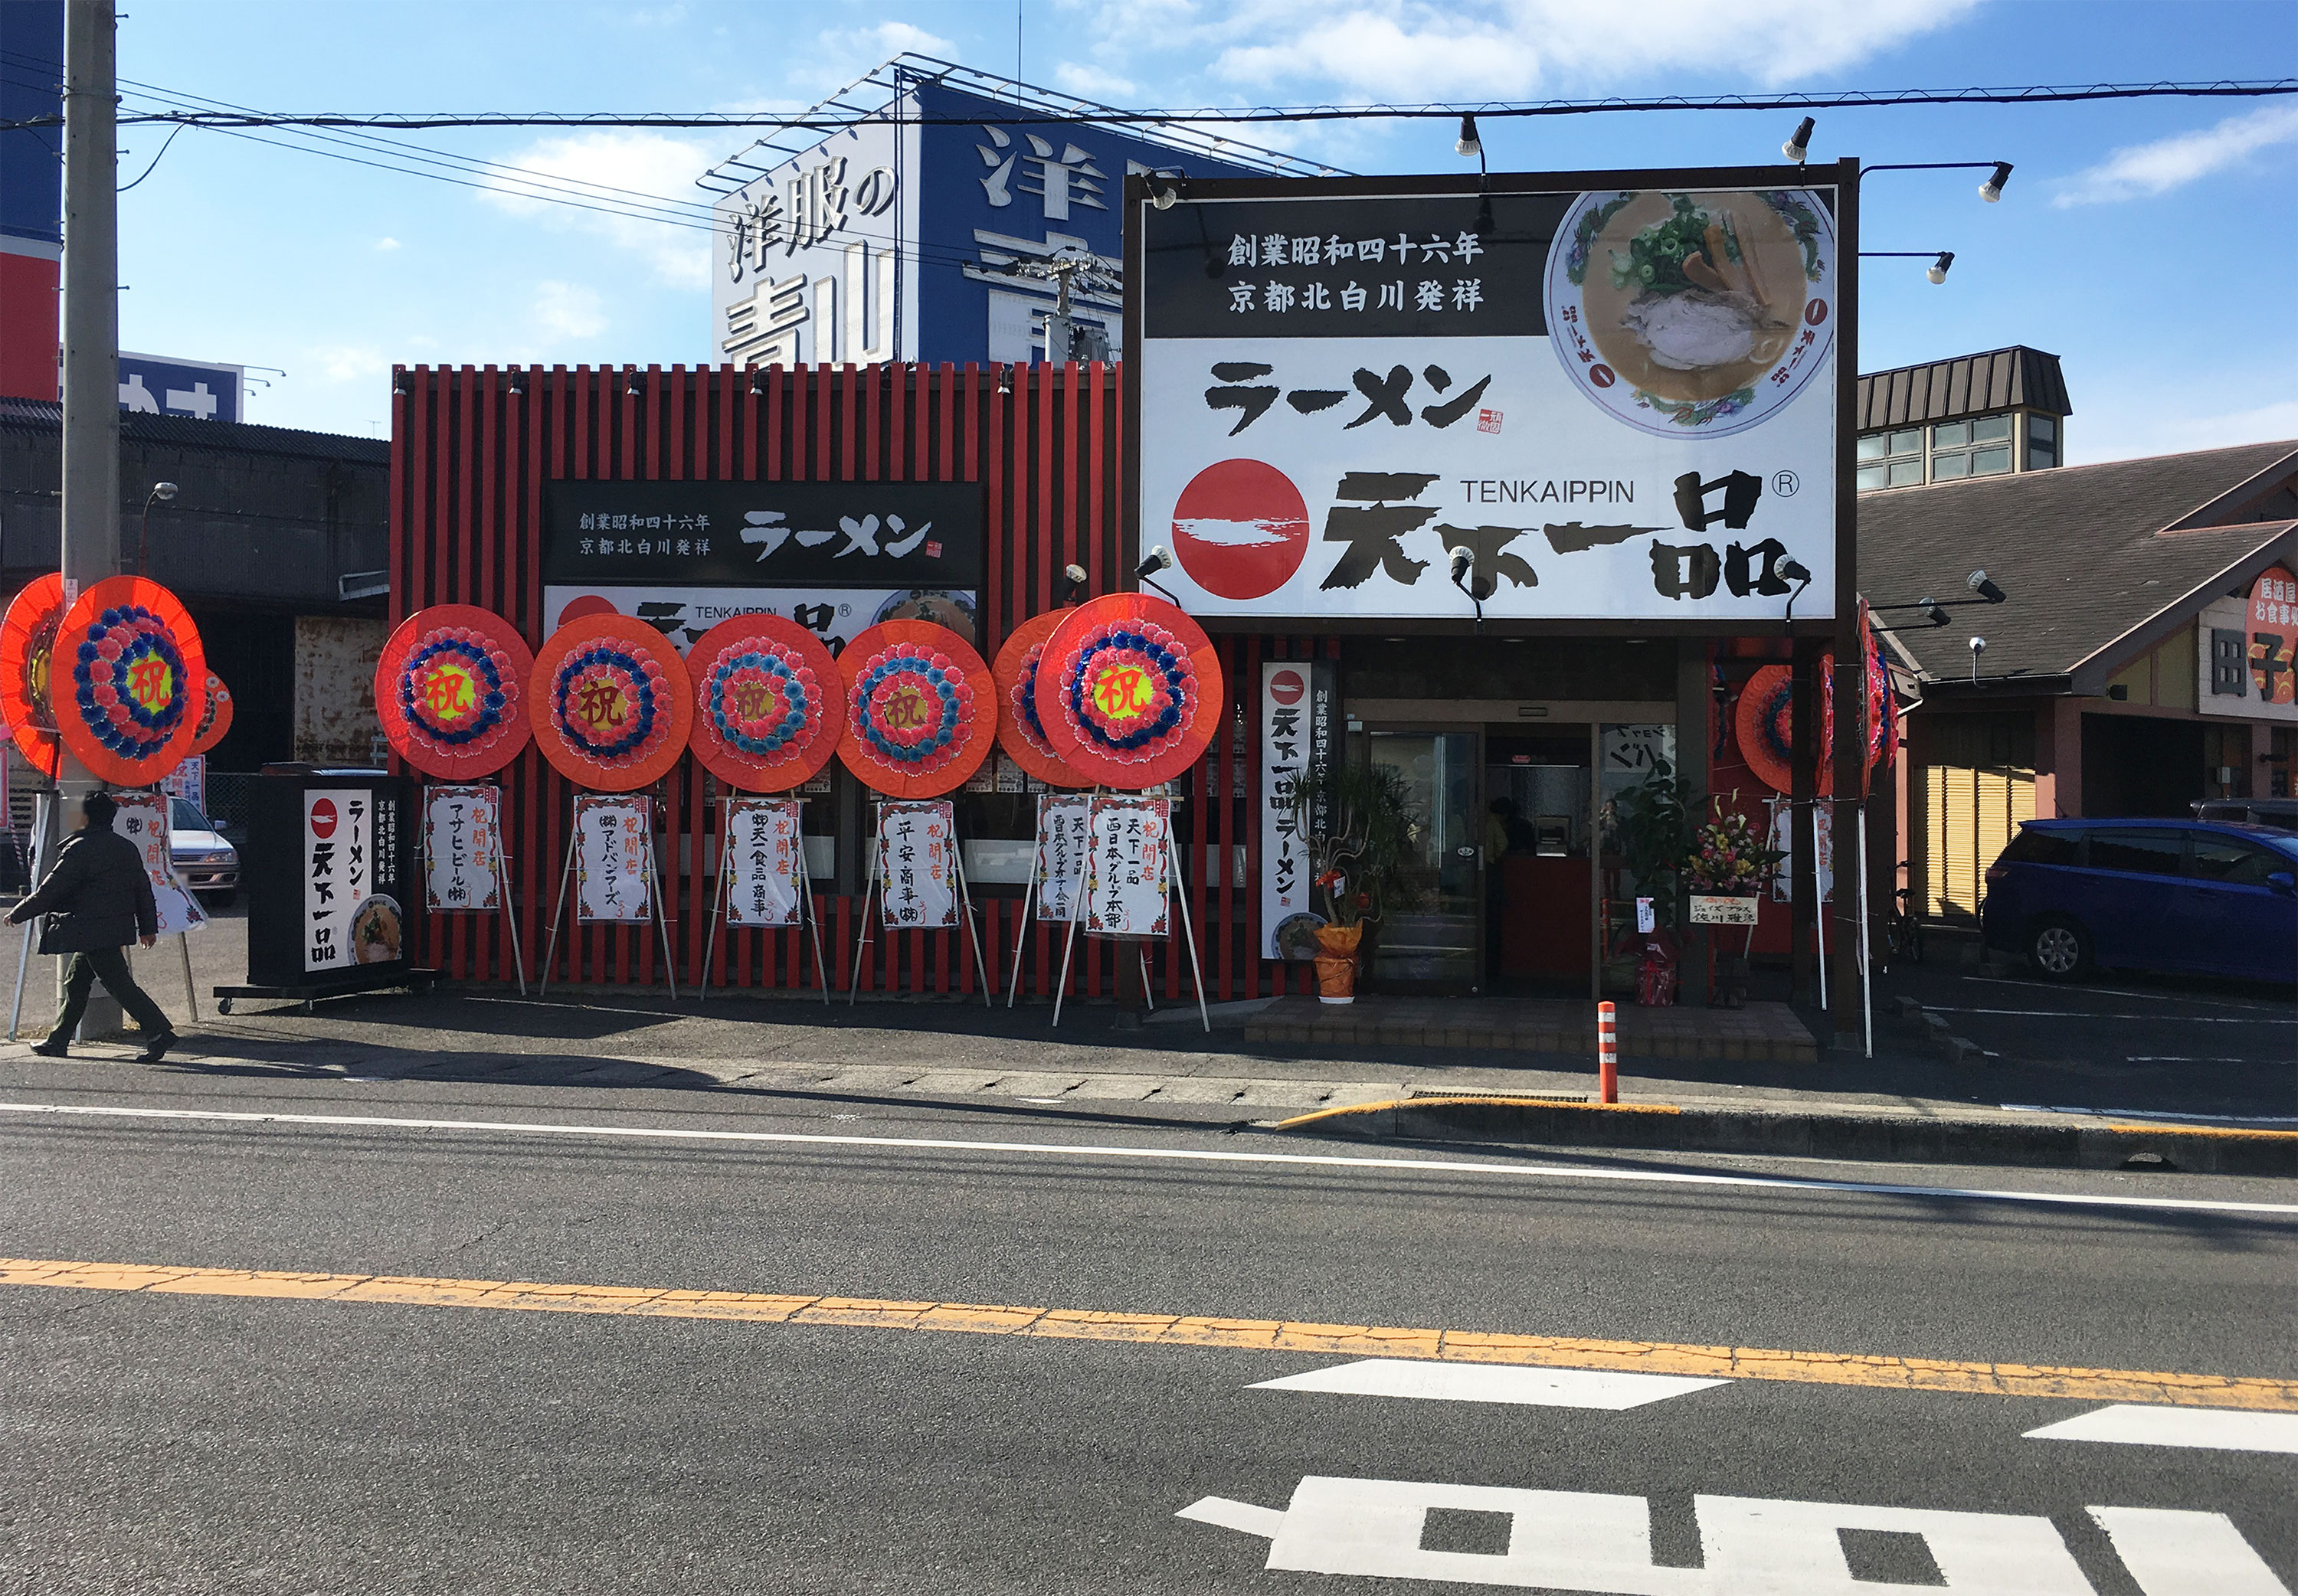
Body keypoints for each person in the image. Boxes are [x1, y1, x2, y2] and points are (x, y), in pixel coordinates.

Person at [6, 791, 177, 1061]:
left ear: (84, 817)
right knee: (76, 981)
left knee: (118, 983)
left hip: (90, 928)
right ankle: (58, 1040)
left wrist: (19, 913)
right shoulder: (125, 847)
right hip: (110, 927)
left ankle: (159, 1032)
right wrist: (147, 927)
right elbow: (142, 889)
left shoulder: (80, 848)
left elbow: (52, 889)